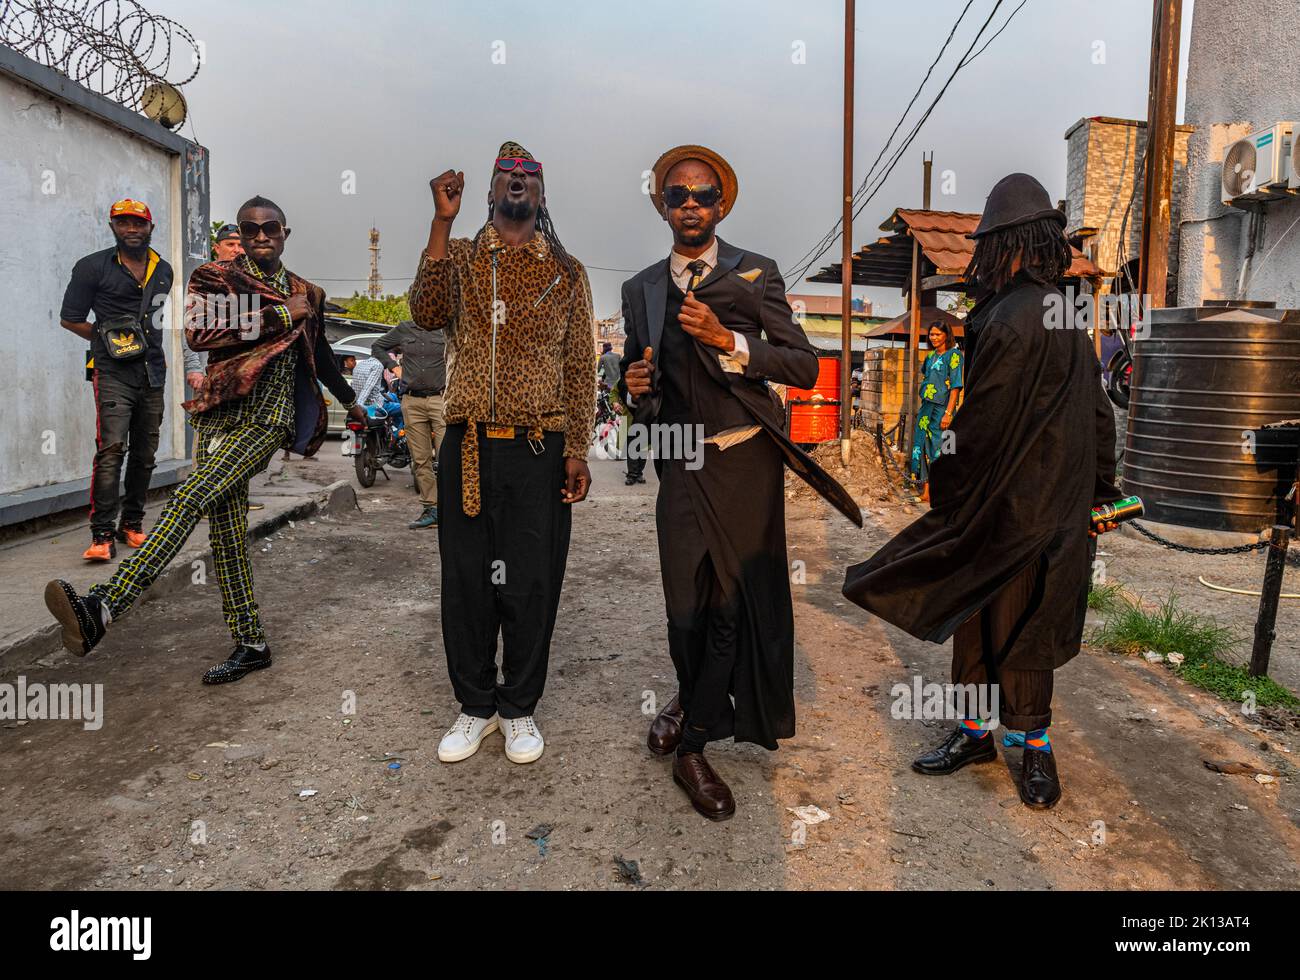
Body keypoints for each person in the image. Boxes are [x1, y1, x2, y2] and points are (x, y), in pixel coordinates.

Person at [842, 173, 1122, 810]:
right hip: (1055, 510)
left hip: (1006, 509)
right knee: (1026, 626)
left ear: (1005, 245)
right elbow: (1100, 416)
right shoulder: (1067, 315)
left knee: (991, 621)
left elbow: (980, 423)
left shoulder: (1001, 318)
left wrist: (945, 486)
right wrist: (1102, 493)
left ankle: (1029, 746)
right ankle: (991, 740)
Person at [620, 145, 857, 821]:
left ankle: (694, 745)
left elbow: (805, 367)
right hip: (679, 463)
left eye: (702, 195)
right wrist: (631, 389)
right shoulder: (641, 289)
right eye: (677, 195)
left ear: (720, 205)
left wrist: (730, 342)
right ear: (663, 205)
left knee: (729, 606)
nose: (690, 204)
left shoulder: (756, 274)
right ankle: (692, 694)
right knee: (682, 605)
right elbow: (640, 393)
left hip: (744, 462)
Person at [44, 196, 367, 685]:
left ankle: (105, 606)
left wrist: (351, 400)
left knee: (191, 495)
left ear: (285, 233)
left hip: (267, 418)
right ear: (239, 233)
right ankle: (252, 643)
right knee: (228, 537)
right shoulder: (215, 279)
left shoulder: (308, 292)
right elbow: (200, 334)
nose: (260, 236)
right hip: (219, 417)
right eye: (250, 229)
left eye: (270, 228)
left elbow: (318, 351)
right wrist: (283, 314)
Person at [409, 141, 595, 766]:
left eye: (530, 174)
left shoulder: (565, 272)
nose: (518, 178)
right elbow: (426, 310)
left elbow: (579, 364)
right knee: (467, 584)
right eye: (507, 174)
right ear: (490, 191)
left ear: (542, 194)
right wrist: (442, 220)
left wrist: (577, 448)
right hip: (466, 447)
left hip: (538, 449)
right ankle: (475, 707)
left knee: (530, 584)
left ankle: (518, 709)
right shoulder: (460, 257)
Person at [59, 198, 175, 561]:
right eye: (123, 223)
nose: (131, 230)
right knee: (111, 450)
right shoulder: (92, 267)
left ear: (150, 228)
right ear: (112, 227)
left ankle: (132, 525)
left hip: (153, 371)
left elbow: (156, 319)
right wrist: (108, 341)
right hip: (112, 372)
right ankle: (101, 535)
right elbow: (70, 317)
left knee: (145, 454)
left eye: (138, 224)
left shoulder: (163, 270)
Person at [372, 320, 448, 530]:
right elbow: (377, 346)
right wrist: (395, 368)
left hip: (441, 399)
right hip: (411, 402)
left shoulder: (447, 327)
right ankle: (432, 510)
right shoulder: (404, 329)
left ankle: (450, 510)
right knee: (420, 459)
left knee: (447, 458)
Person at [908, 320, 963, 501]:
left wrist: (948, 413)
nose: (934, 338)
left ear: (947, 335)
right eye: (931, 334)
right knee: (923, 445)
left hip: (943, 409)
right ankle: (927, 491)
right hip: (926, 408)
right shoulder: (930, 357)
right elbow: (927, 378)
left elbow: (955, 387)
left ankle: (944, 491)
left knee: (941, 450)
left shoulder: (954, 355)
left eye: (938, 334)